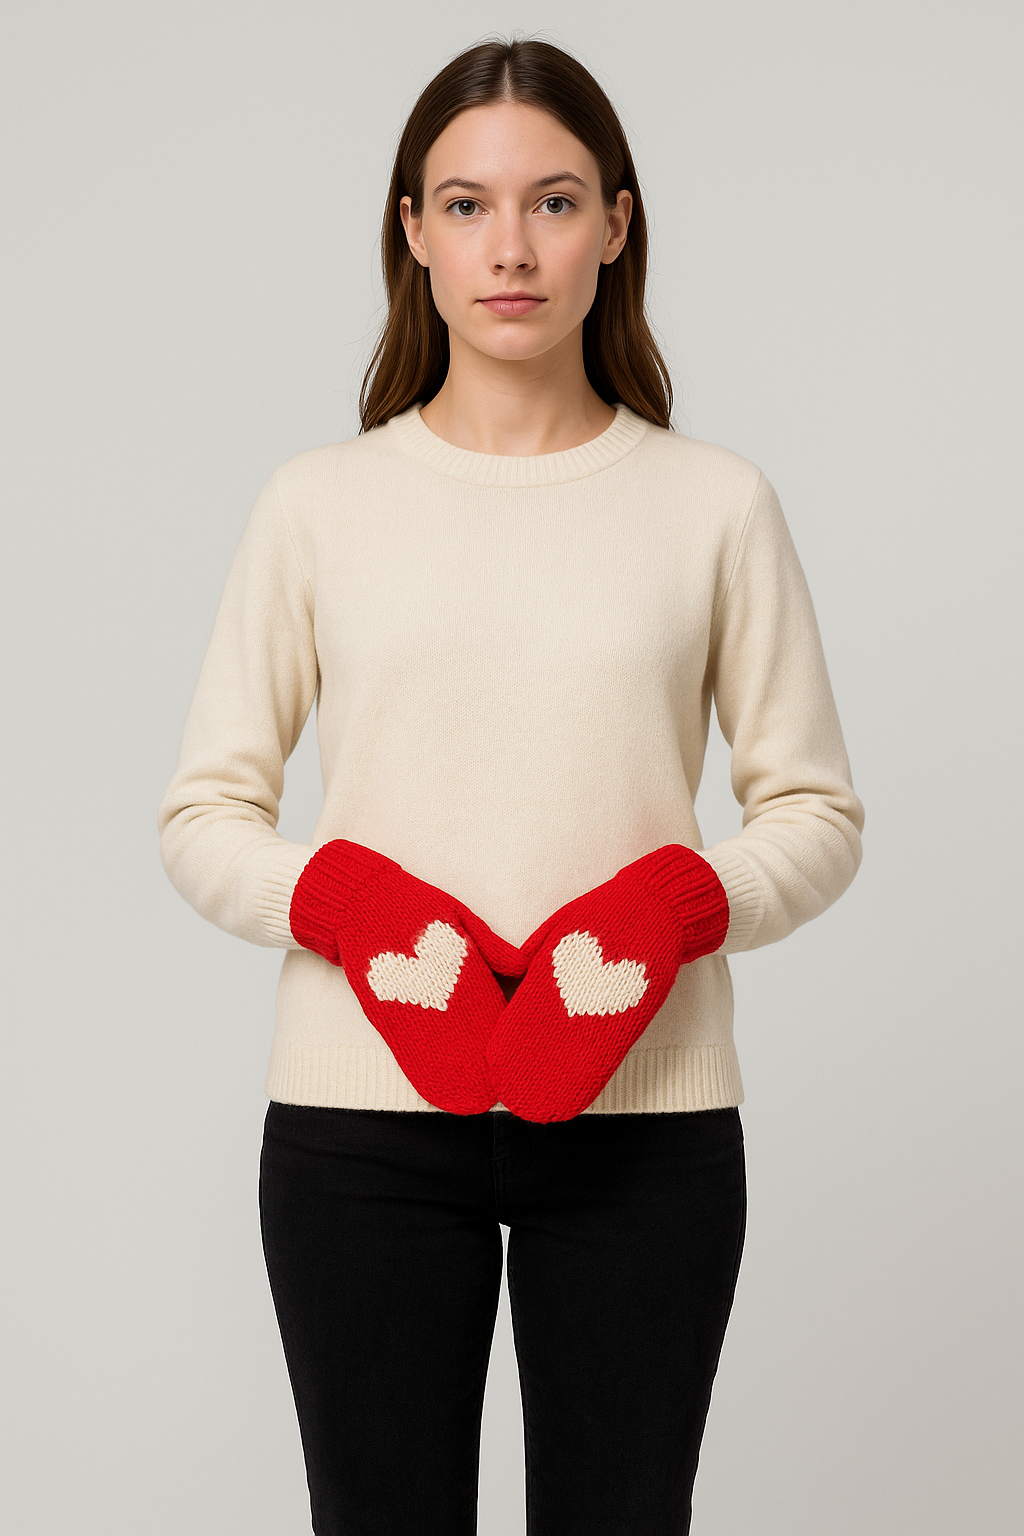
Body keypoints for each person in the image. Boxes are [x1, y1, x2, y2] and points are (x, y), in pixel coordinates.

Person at [157, 33, 865, 1536]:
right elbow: (204, 816)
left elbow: (812, 812)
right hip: (361, 1127)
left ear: (618, 223)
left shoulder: (713, 504)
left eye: (552, 202)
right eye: (465, 205)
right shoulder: (320, 506)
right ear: (411, 234)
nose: (512, 248)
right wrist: (347, 903)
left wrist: (674, 909)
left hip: (644, 1123)